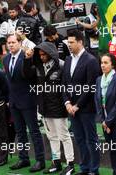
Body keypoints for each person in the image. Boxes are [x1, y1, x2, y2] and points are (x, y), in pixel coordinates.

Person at [23, 41, 75, 174]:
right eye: (39, 55)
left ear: (51, 54)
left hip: (58, 108)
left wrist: (67, 103)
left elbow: (67, 87)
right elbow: (27, 75)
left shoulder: (62, 66)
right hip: (44, 107)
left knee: (64, 136)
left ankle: (70, 164)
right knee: (52, 137)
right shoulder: (39, 67)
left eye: (44, 55)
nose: (41, 57)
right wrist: (28, 59)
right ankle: (56, 162)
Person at [3, 34, 45, 172]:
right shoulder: (6, 59)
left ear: (20, 43)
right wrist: (9, 99)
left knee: (34, 132)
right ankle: (23, 158)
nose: (11, 45)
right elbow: (9, 81)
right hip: (14, 101)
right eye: (8, 42)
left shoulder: (28, 57)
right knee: (20, 132)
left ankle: (40, 160)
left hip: (28, 100)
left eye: (13, 42)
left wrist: (28, 59)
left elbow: (31, 76)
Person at [62, 29, 100, 175]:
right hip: (71, 108)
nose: (69, 45)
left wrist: (77, 105)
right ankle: (84, 168)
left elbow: (91, 87)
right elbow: (64, 84)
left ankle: (94, 170)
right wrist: (67, 104)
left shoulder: (90, 60)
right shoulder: (68, 60)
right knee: (79, 139)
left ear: (80, 42)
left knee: (91, 140)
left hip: (86, 108)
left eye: (71, 42)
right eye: (68, 42)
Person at [95, 53, 116, 175]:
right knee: (113, 149)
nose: (102, 65)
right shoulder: (99, 80)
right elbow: (97, 101)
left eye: (106, 63)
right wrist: (103, 120)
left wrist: (108, 121)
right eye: (101, 63)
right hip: (105, 122)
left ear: (112, 65)